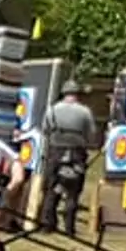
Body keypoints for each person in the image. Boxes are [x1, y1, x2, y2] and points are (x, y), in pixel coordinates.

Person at [39, 81, 98, 238]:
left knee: (52, 189)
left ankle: (47, 224)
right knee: (73, 191)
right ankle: (69, 228)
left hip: (55, 152)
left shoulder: (52, 110)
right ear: (77, 94)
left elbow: (45, 130)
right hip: (77, 153)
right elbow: (91, 134)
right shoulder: (85, 111)